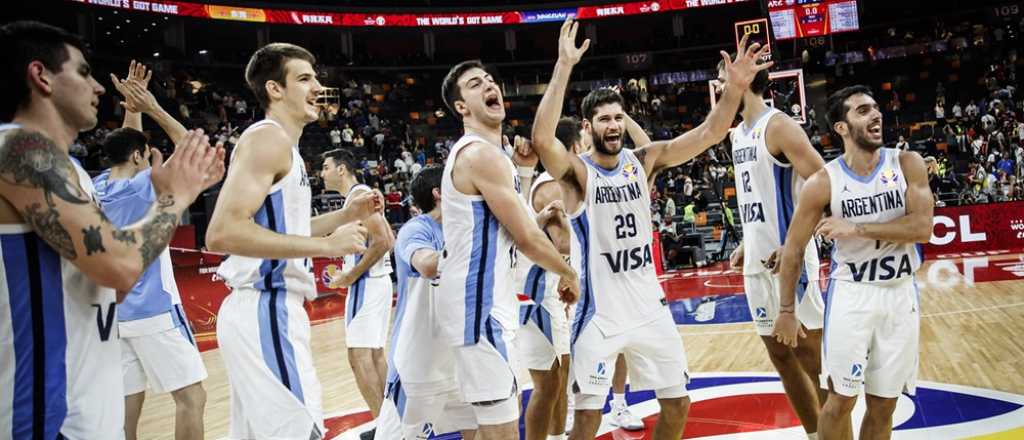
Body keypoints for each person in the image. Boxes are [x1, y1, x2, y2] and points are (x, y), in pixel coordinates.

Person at [530, 19, 771, 439]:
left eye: (618, 118)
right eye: (604, 119)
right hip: (599, 313)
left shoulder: (644, 160)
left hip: (648, 306)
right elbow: (541, 137)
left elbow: (711, 132)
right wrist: (564, 65)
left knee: (678, 405)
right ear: (587, 127)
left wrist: (734, 89)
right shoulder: (577, 175)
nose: (613, 126)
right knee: (586, 418)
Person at [0, 20, 223, 439]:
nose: (99, 87)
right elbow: (120, 268)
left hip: (85, 387)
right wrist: (177, 197)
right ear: (40, 76)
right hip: (43, 413)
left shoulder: (79, 175)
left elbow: (111, 281)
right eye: (84, 73)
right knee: (191, 397)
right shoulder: (22, 152)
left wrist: (136, 111)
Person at [204, 42, 380, 439]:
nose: (317, 86)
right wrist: (328, 247)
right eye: (304, 78)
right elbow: (222, 232)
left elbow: (289, 229)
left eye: (316, 77)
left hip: (264, 312)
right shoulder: (270, 140)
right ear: (274, 89)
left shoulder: (288, 150)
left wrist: (347, 216)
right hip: (266, 308)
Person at [773, 85, 933, 440]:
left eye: (875, 108)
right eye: (862, 111)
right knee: (841, 400)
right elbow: (794, 249)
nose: (876, 114)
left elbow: (922, 228)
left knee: (884, 404)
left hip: (900, 296)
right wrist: (786, 309)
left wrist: (856, 228)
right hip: (852, 296)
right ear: (842, 127)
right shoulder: (823, 183)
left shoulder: (907, 164)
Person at [437, 57, 580, 439]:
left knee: (487, 421)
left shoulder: (494, 157)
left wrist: (526, 171)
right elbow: (527, 239)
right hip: (478, 305)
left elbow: (505, 231)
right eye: (473, 84)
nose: (488, 85)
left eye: (489, 79)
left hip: (479, 302)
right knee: (500, 425)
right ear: (462, 107)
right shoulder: (479, 155)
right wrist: (567, 272)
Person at [717, 52, 828, 439]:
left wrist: (796, 243)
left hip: (790, 261)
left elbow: (824, 185)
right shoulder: (735, 135)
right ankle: (816, 434)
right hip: (756, 265)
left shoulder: (779, 126)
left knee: (812, 359)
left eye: (723, 77)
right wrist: (749, 240)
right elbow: (759, 197)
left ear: (743, 80)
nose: (718, 86)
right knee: (781, 357)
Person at [98, 60, 208, 440]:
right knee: (192, 398)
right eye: (146, 155)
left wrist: (131, 110)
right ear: (140, 159)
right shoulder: (146, 184)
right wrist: (151, 108)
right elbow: (192, 147)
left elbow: (128, 148)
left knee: (126, 407)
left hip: (112, 314)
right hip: (154, 311)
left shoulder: (95, 187)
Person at [376, 165, 479, 440]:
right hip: (417, 360)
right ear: (439, 192)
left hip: (457, 354)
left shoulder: (465, 225)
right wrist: (464, 245)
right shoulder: (415, 229)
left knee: (478, 430)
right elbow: (425, 264)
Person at [320, 148, 395, 439]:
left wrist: (350, 276)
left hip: (367, 283)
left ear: (341, 169)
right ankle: (394, 422)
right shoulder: (358, 198)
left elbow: (384, 240)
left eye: (325, 167)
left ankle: (386, 429)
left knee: (359, 358)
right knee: (375, 357)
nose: (321, 172)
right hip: (375, 282)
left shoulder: (358, 196)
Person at [519, 117, 583, 440]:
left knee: (558, 377)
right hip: (542, 291)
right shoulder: (550, 186)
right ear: (572, 146)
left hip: (558, 286)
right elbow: (561, 244)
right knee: (549, 381)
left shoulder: (567, 182)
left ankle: (558, 435)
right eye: (583, 141)